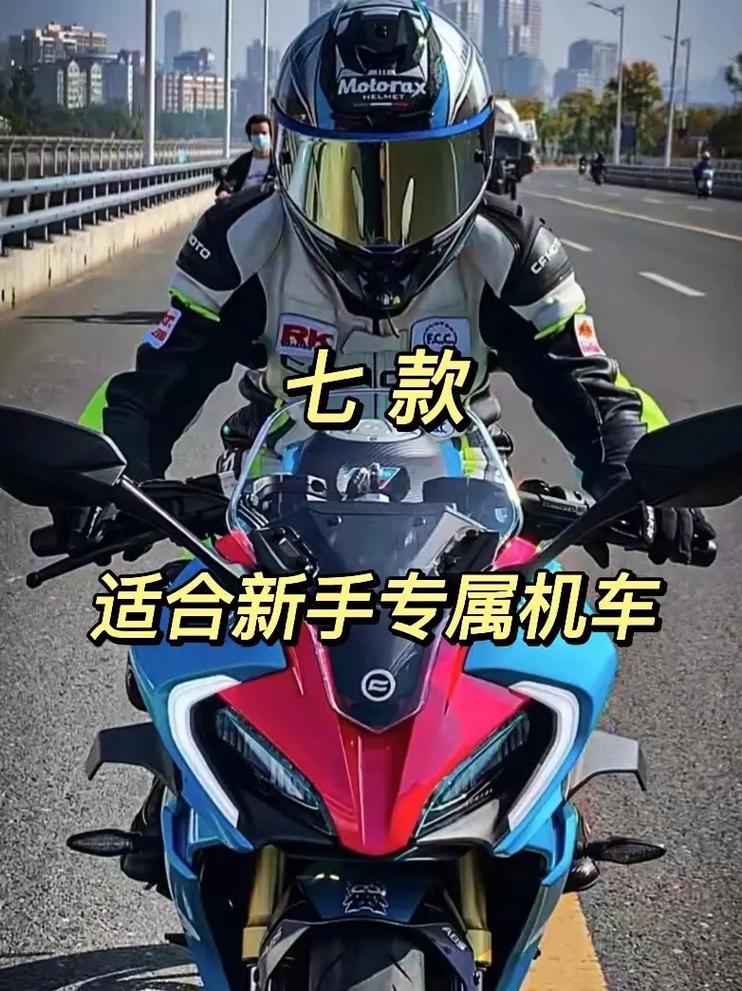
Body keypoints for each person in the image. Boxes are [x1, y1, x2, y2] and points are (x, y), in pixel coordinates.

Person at [74, 0, 715, 887]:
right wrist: (102, 479)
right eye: (350, 176)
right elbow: (149, 389)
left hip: (462, 494)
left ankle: (544, 800)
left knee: (546, 636)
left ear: (477, 159)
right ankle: (179, 789)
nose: (386, 215)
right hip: (278, 487)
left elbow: (593, 390)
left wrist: (643, 478)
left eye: (422, 175)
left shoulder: (506, 246)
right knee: (181, 612)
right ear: (290, 159)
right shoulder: (243, 238)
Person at [215, 113, 276, 198]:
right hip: (246, 204)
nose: (260, 137)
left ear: (271, 136)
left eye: (264, 133)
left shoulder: (278, 163)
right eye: (255, 133)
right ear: (249, 137)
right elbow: (227, 185)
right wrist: (223, 193)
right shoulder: (241, 163)